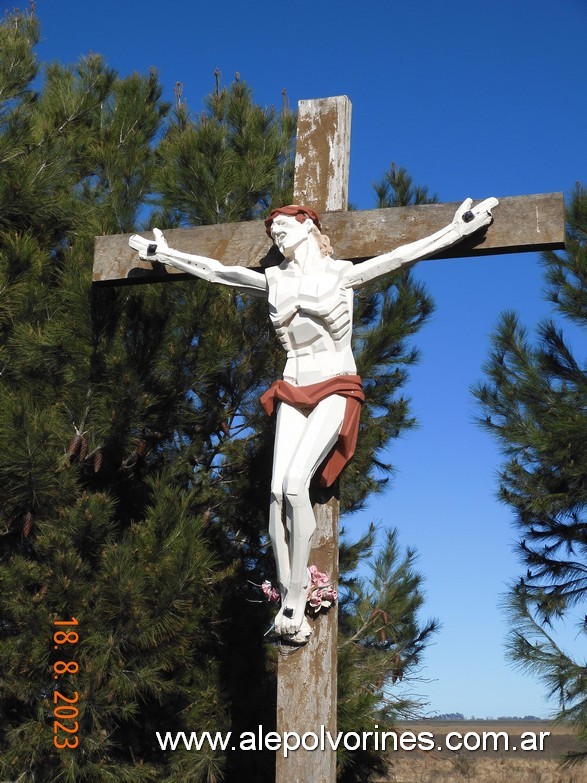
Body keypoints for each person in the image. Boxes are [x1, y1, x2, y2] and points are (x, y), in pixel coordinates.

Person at [129, 197, 497, 643]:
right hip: (292, 385)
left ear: (307, 225)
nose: (276, 232)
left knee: (293, 485)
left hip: (335, 383)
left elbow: (401, 256)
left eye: (283, 224)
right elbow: (219, 272)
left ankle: (296, 596)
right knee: (274, 493)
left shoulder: (340, 273)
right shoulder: (274, 280)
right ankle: (287, 594)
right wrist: (167, 255)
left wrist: (455, 231)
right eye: (272, 229)